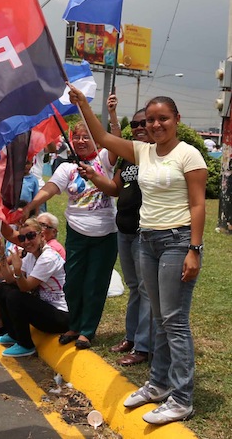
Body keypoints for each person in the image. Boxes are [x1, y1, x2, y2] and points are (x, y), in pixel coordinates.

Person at [69, 87, 207, 425]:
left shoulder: (189, 155)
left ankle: (182, 397)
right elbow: (101, 136)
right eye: (151, 119)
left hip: (177, 241)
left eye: (163, 118)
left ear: (177, 120)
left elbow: (197, 204)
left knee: (174, 320)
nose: (156, 124)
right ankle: (159, 384)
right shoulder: (142, 151)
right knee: (158, 318)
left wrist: (194, 250)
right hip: (147, 240)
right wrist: (85, 103)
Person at [21, 120, 118, 351]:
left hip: (105, 234)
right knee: (73, 283)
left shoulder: (104, 158)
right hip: (76, 232)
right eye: (77, 137)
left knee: (95, 283)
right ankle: (74, 325)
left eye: (87, 137)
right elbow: (50, 188)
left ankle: (86, 331)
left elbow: (115, 140)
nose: (81, 141)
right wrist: (30, 206)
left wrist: (113, 116)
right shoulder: (66, 167)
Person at [81, 106, 152, 367]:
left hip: (146, 232)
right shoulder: (128, 157)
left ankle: (143, 346)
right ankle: (132, 337)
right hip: (125, 231)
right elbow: (114, 189)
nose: (140, 128)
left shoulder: (155, 155)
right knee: (135, 288)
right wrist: (94, 176)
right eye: (135, 125)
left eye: (145, 123)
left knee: (145, 290)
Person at [0, 218, 69, 358]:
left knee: (15, 296)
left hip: (61, 316)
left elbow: (25, 287)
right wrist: (1, 256)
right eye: (23, 238)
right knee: (3, 287)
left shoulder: (48, 258)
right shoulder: (31, 255)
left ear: (41, 236)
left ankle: (26, 345)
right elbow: (10, 280)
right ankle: (12, 334)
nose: (27, 242)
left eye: (31, 236)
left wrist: (17, 271)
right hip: (44, 307)